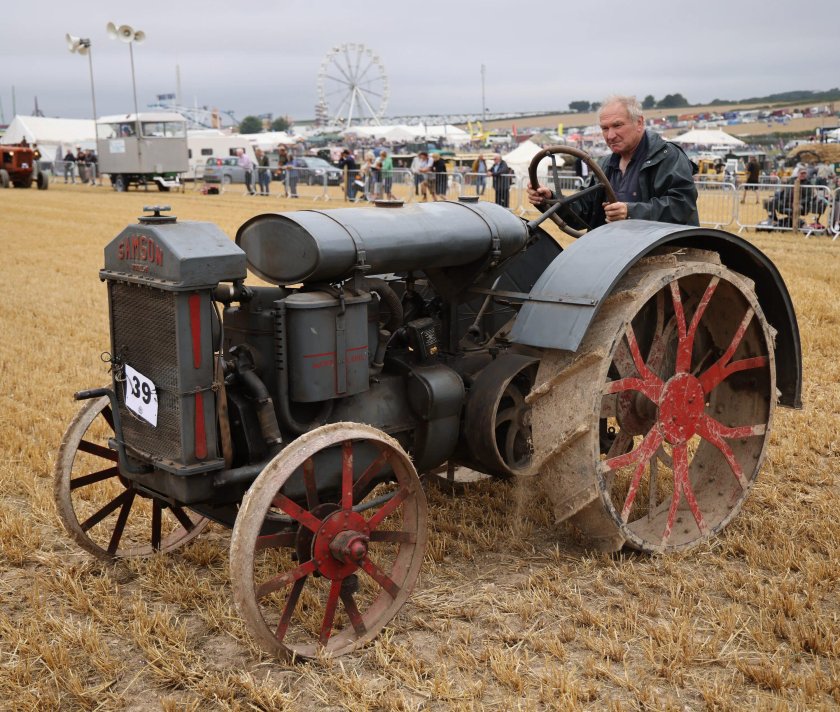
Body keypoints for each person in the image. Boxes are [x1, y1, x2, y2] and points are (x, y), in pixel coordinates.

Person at [527, 95, 699, 228]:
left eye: (617, 126)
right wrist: (551, 199)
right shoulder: (605, 165)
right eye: (605, 128)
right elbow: (584, 214)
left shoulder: (667, 156)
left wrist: (630, 211)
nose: (610, 135)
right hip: (617, 252)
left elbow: (682, 204)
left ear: (639, 123)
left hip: (661, 251)